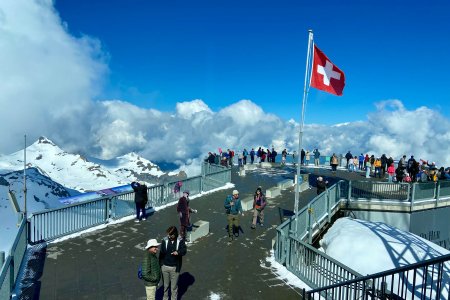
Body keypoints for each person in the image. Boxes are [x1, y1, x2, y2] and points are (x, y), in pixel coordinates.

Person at [159, 226, 187, 300]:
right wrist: (161, 265)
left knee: (173, 288)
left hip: (175, 268)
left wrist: (178, 252)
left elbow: (184, 251)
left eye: (171, 235)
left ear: (175, 234)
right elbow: (161, 254)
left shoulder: (180, 240)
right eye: (168, 234)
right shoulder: (165, 240)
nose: (169, 236)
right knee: (165, 286)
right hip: (164, 267)